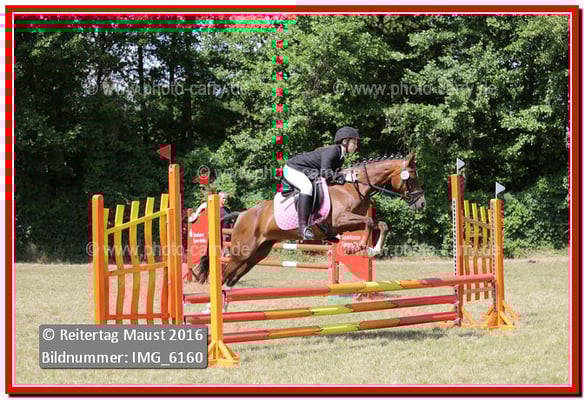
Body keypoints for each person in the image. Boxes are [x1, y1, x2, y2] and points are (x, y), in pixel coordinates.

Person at [284, 126, 360, 240]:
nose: (356, 146)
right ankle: (303, 228)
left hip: (307, 171)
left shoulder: (341, 156)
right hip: (292, 168)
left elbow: (331, 176)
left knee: (324, 189)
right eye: (354, 143)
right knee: (307, 187)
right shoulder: (333, 151)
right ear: (345, 141)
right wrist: (345, 177)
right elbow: (325, 173)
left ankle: (322, 225)